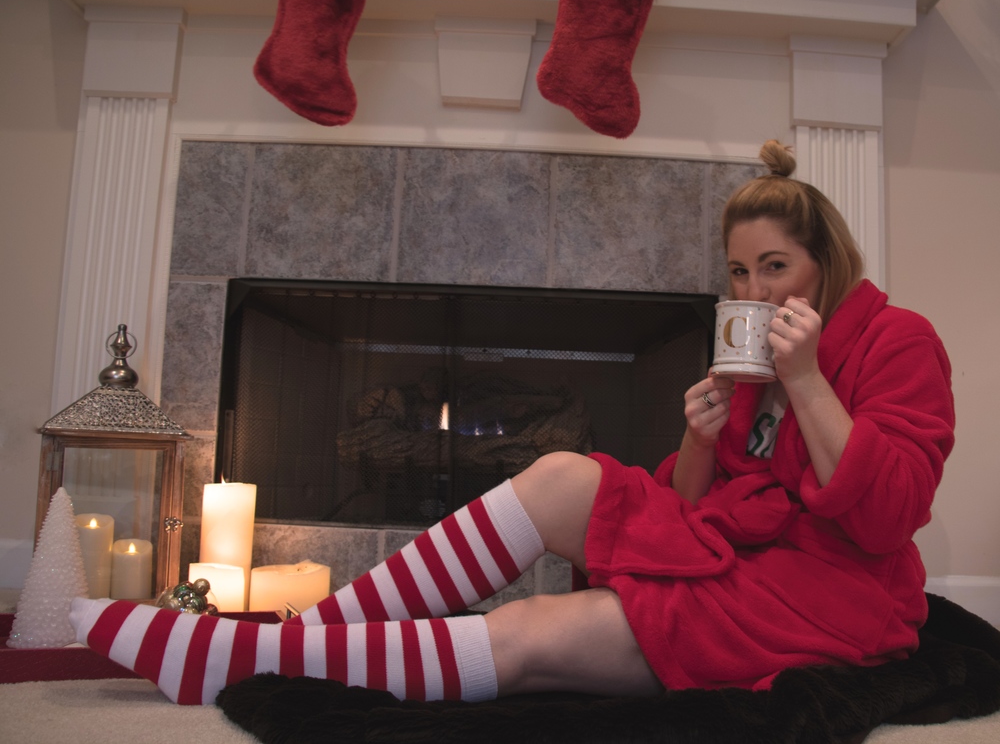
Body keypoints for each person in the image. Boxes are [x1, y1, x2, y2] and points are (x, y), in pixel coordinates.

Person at [68, 140, 955, 705]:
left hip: (827, 593)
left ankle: (259, 665)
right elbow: (695, 506)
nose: (753, 294)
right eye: (737, 272)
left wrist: (807, 382)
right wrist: (697, 439)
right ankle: (291, 640)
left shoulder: (897, 341)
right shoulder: (753, 365)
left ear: (825, 264)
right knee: (565, 472)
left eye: (774, 268)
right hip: (734, 546)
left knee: (533, 634)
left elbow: (886, 516)